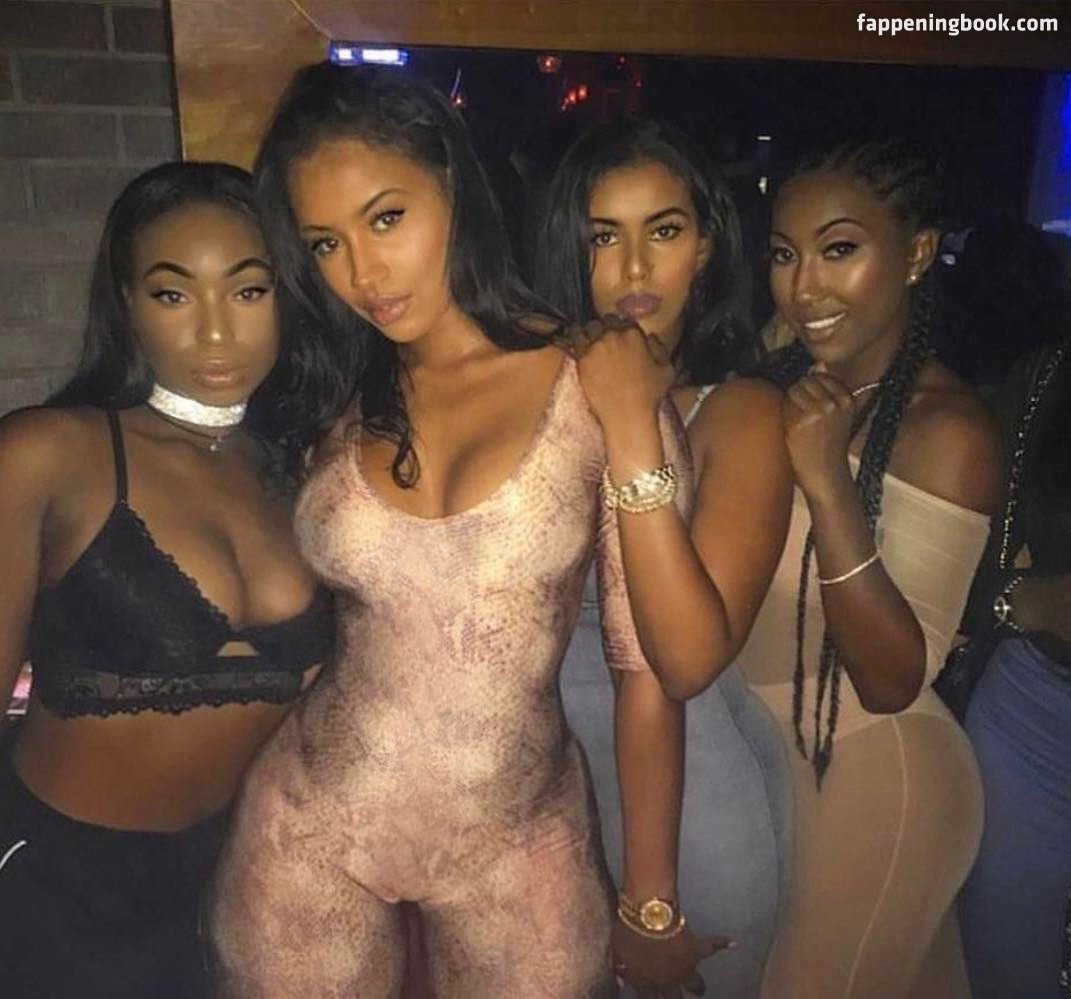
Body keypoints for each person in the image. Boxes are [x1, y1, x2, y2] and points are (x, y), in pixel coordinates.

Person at [208, 63, 717, 997]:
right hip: (310, 831)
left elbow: (666, 667)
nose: (362, 273)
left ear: (451, 181)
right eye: (324, 243)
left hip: (518, 843)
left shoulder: (594, 379)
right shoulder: (332, 395)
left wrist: (650, 903)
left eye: (385, 218)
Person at [0, 162, 333, 998]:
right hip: (56, 888)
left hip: (235, 879)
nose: (216, 331)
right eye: (174, 293)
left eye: (249, 290)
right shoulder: (49, 452)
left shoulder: (305, 469)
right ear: (128, 304)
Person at [533, 117, 795, 998]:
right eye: (603, 236)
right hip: (544, 811)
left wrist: (631, 422)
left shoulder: (740, 411)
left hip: (687, 830)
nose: (636, 268)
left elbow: (683, 661)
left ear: (705, 247)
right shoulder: (527, 390)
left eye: (665, 230)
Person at [733, 137, 1000, 998]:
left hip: (875, 778)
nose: (804, 286)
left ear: (917, 253)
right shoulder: (778, 383)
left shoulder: (945, 430)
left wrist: (826, 481)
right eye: (784, 255)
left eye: (838, 249)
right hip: (774, 764)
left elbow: (889, 678)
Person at [954, 335, 1071, 999]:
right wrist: (1026, 599)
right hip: (1036, 716)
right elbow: (977, 567)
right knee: (1005, 970)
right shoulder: (1050, 373)